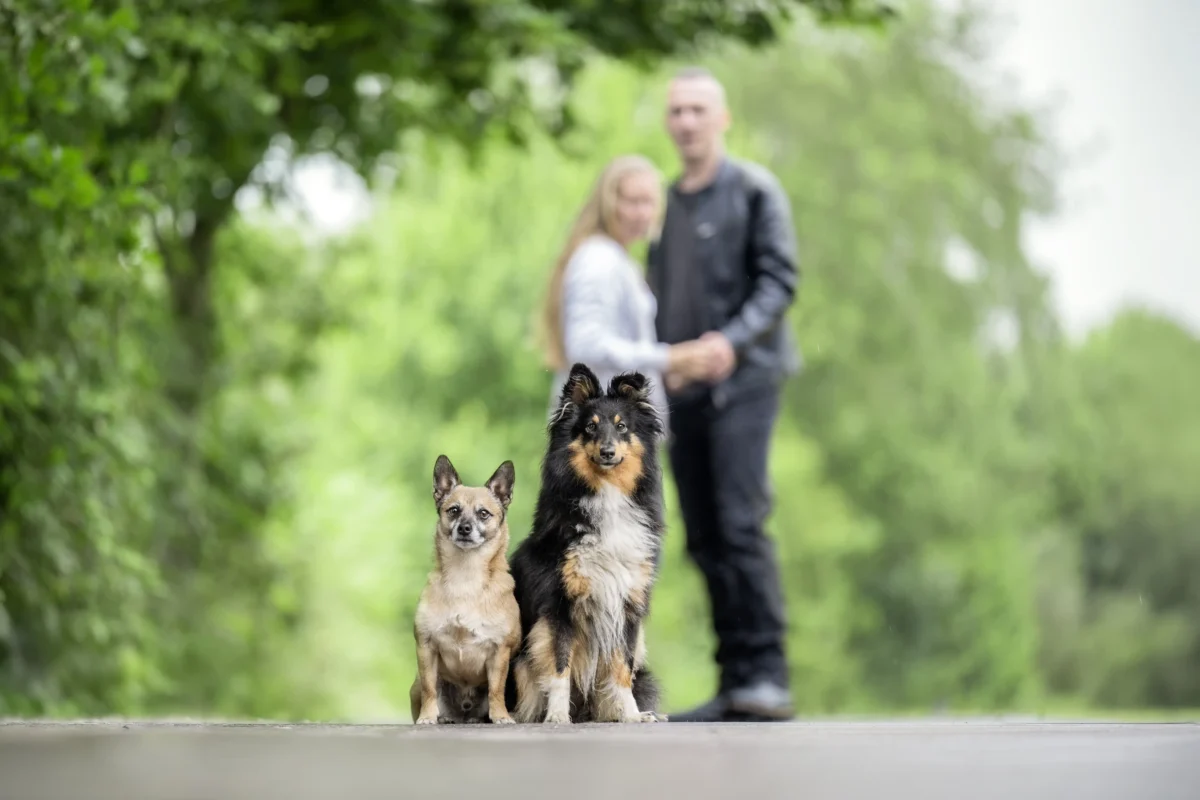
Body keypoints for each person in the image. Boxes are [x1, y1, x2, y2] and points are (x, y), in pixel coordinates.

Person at [646, 66, 802, 722]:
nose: (686, 121)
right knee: (703, 533)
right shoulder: (662, 205)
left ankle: (767, 674)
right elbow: (652, 295)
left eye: (697, 110)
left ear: (722, 119)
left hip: (747, 380)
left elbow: (780, 279)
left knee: (741, 524)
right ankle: (734, 681)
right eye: (676, 111)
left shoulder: (756, 191)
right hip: (681, 390)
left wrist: (728, 343)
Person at [539, 153, 718, 420]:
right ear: (609, 203)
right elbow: (586, 345)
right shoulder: (598, 259)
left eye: (649, 202)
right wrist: (670, 358)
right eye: (632, 202)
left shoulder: (617, 258)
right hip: (598, 432)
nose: (642, 213)